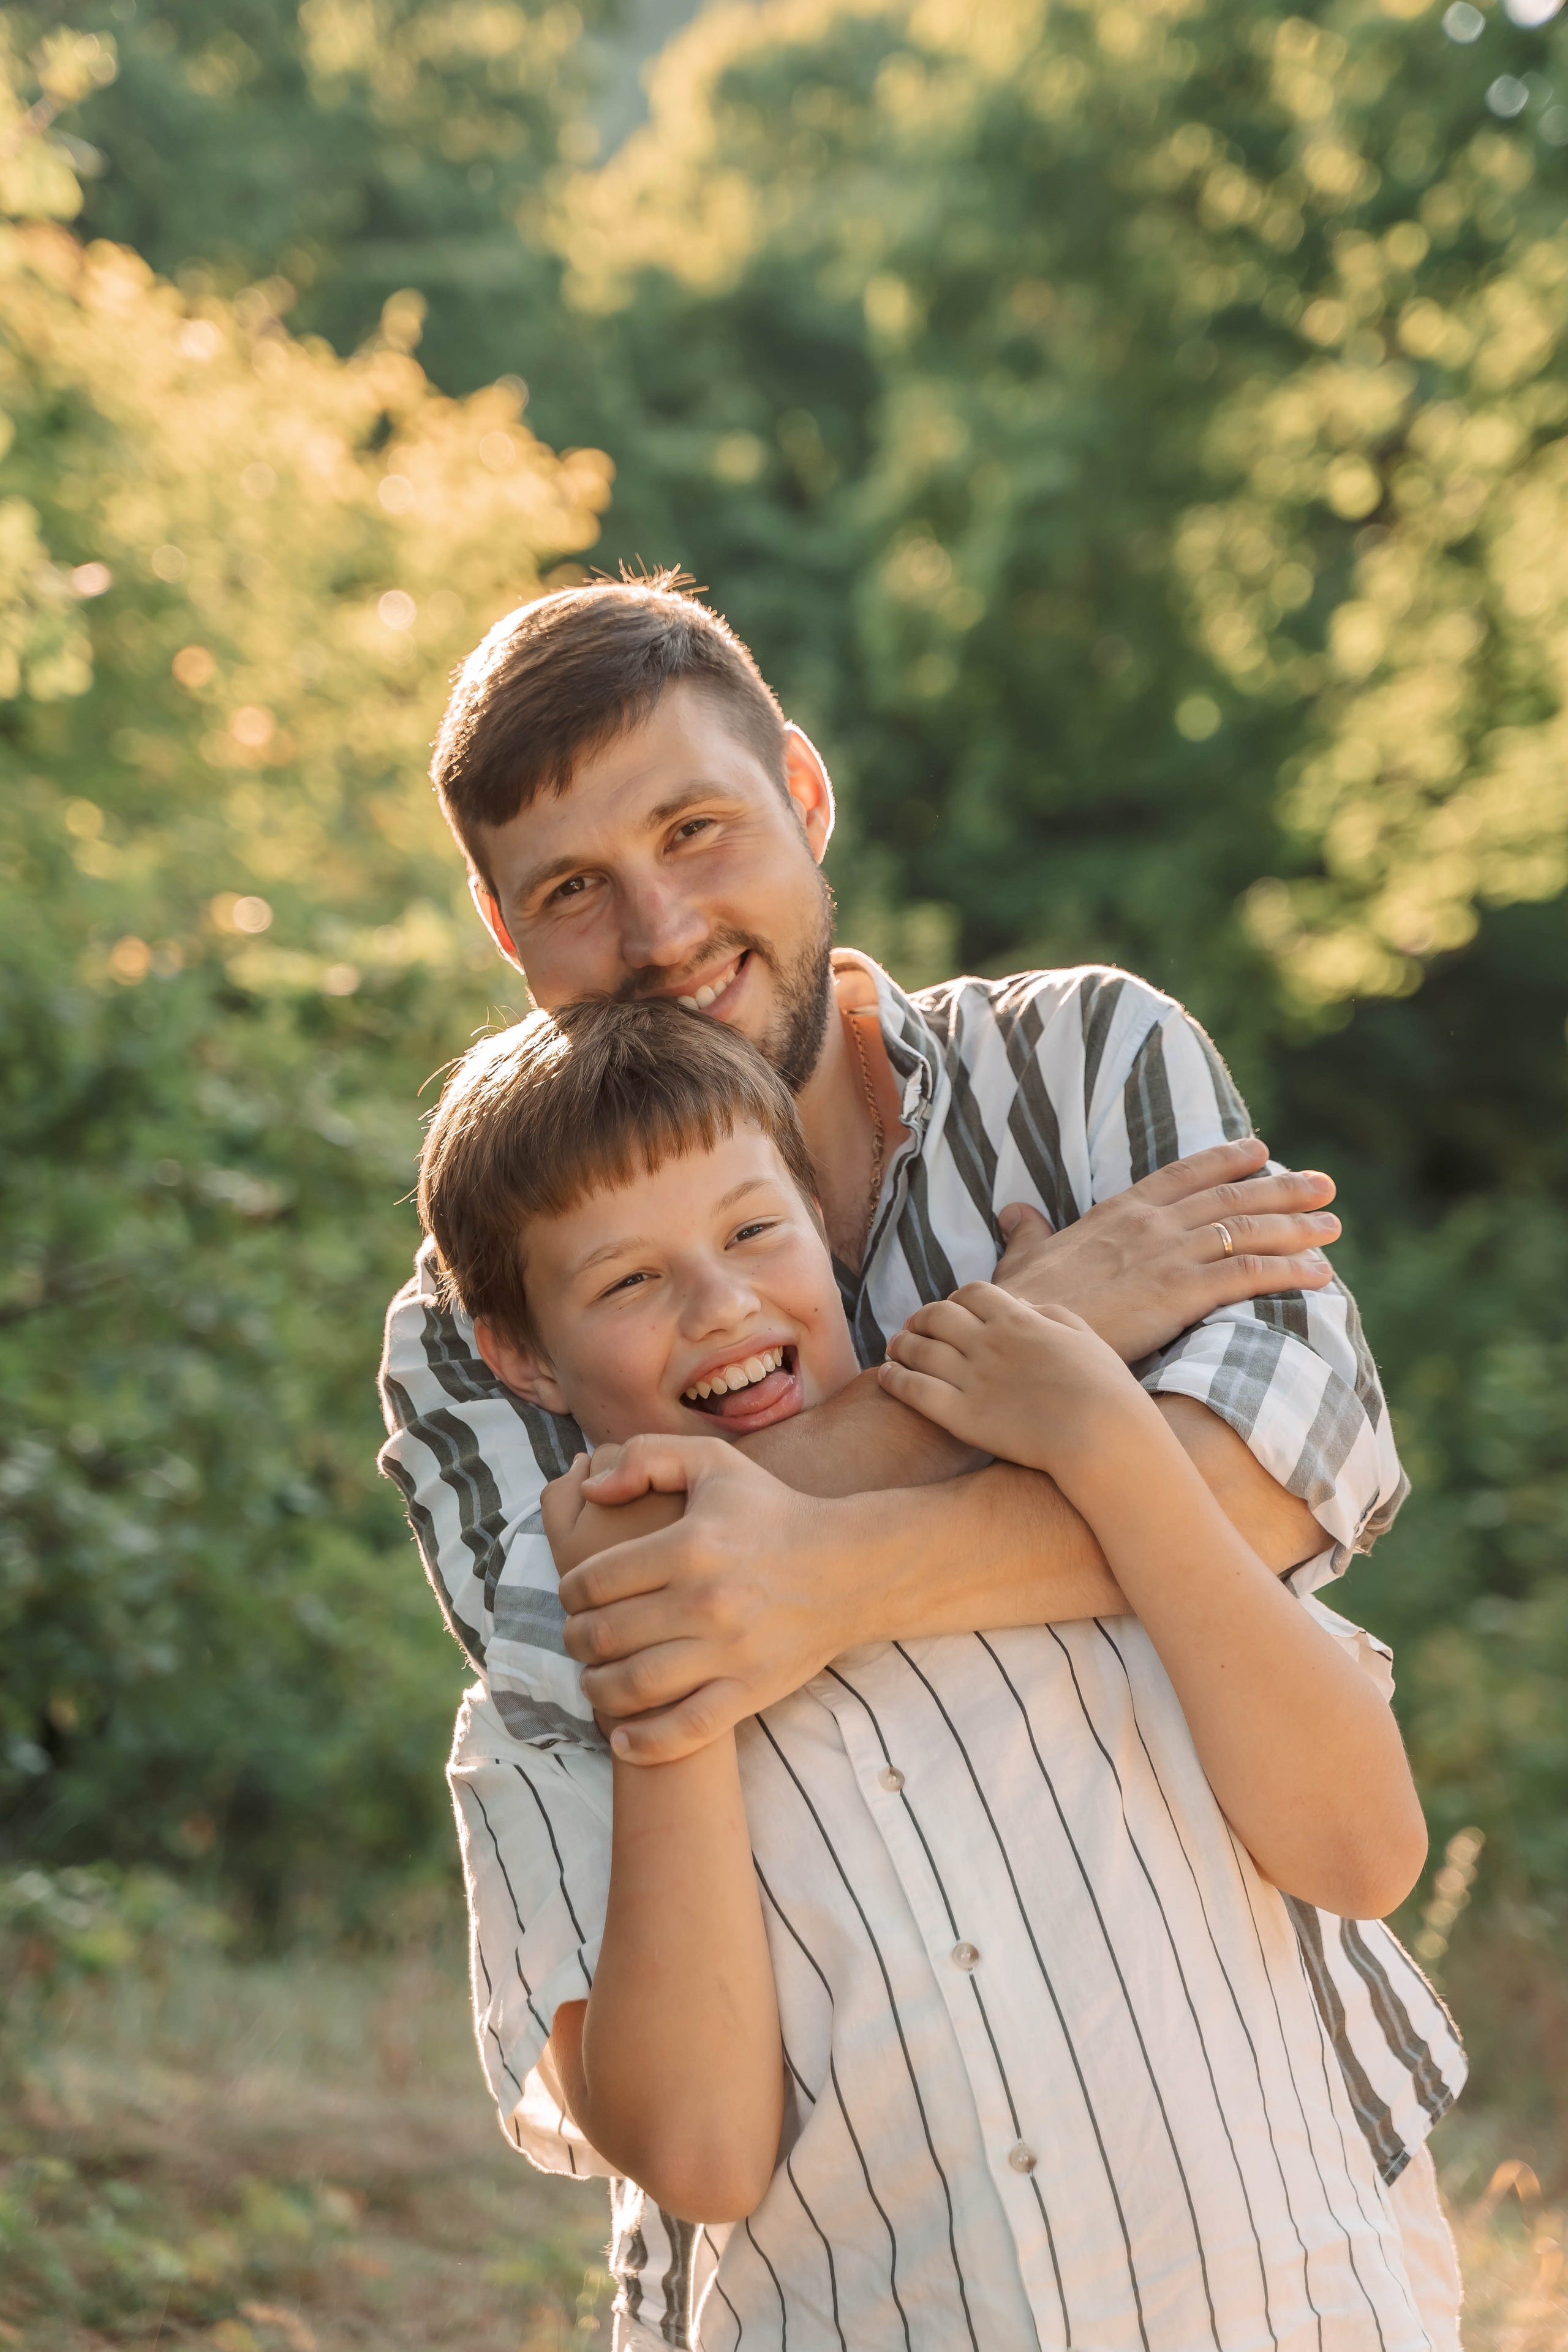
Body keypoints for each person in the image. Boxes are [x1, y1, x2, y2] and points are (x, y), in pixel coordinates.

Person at [376, 573, 1464, 2340]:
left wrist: (814, 1569)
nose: (660, 927)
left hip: (1272, 2205)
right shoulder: (469, 1302)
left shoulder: (1084, 1062)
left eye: (697, 828)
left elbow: (1283, 1472)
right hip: (847, 2261)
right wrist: (1030, 1347)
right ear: (508, 932)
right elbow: (590, 1634)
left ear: (803, 797)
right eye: (575, 888)